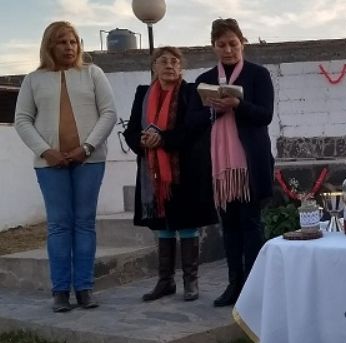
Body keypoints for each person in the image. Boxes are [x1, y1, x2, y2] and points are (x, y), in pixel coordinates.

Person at [14, 21, 117, 312]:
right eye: (62, 42)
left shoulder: (93, 73)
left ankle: (84, 288)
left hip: (89, 161)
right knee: (59, 225)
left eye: (73, 42)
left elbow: (108, 113)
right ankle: (60, 291)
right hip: (50, 165)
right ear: (50, 46)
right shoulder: (33, 80)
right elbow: (22, 119)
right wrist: (46, 151)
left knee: (84, 223)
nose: (69, 47)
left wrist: (87, 148)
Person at [186, 18, 275, 307]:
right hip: (220, 169)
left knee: (251, 224)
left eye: (233, 44)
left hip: (250, 163)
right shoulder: (204, 80)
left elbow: (265, 115)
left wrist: (238, 105)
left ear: (242, 43)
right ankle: (233, 284)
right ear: (213, 47)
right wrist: (213, 111)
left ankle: (255, 286)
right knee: (230, 227)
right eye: (222, 45)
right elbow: (192, 122)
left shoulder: (257, 75)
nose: (228, 50)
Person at [123, 47, 218, 302]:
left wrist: (162, 139)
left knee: (186, 224)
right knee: (162, 225)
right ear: (154, 66)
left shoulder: (190, 92)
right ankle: (165, 281)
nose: (169, 65)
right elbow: (131, 130)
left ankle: (190, 282)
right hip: (152, 172)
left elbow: (195, 127)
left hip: (185, 171)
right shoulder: (143, 94)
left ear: (181, 68)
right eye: (163, 61)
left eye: (175, 61)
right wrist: (143, 141)